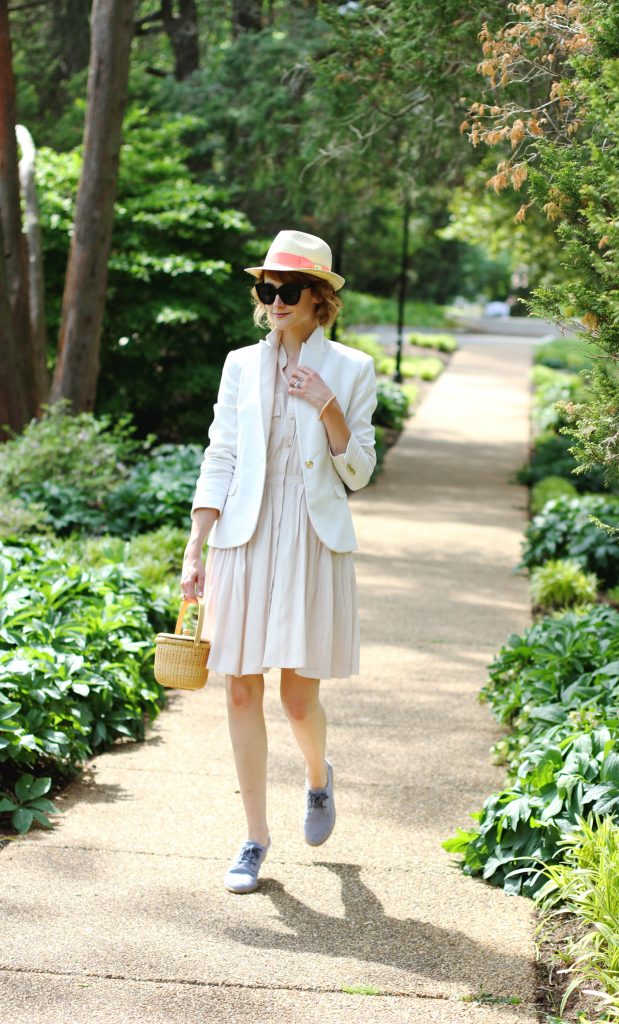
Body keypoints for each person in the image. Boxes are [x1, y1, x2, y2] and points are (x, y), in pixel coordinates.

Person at [180, 229, 377, 894]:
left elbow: (359, 470)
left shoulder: (350, 369)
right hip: (245, 536)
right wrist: (194, 544)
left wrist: (327, 405)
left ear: (319, 298)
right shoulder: (240, 365)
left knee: (296, 699)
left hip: (310, 538)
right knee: (239, 687)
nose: (272, 301)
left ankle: (318, 777)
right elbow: (222, 454)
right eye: (266, 289)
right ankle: (253, 838)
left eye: (286, 290)